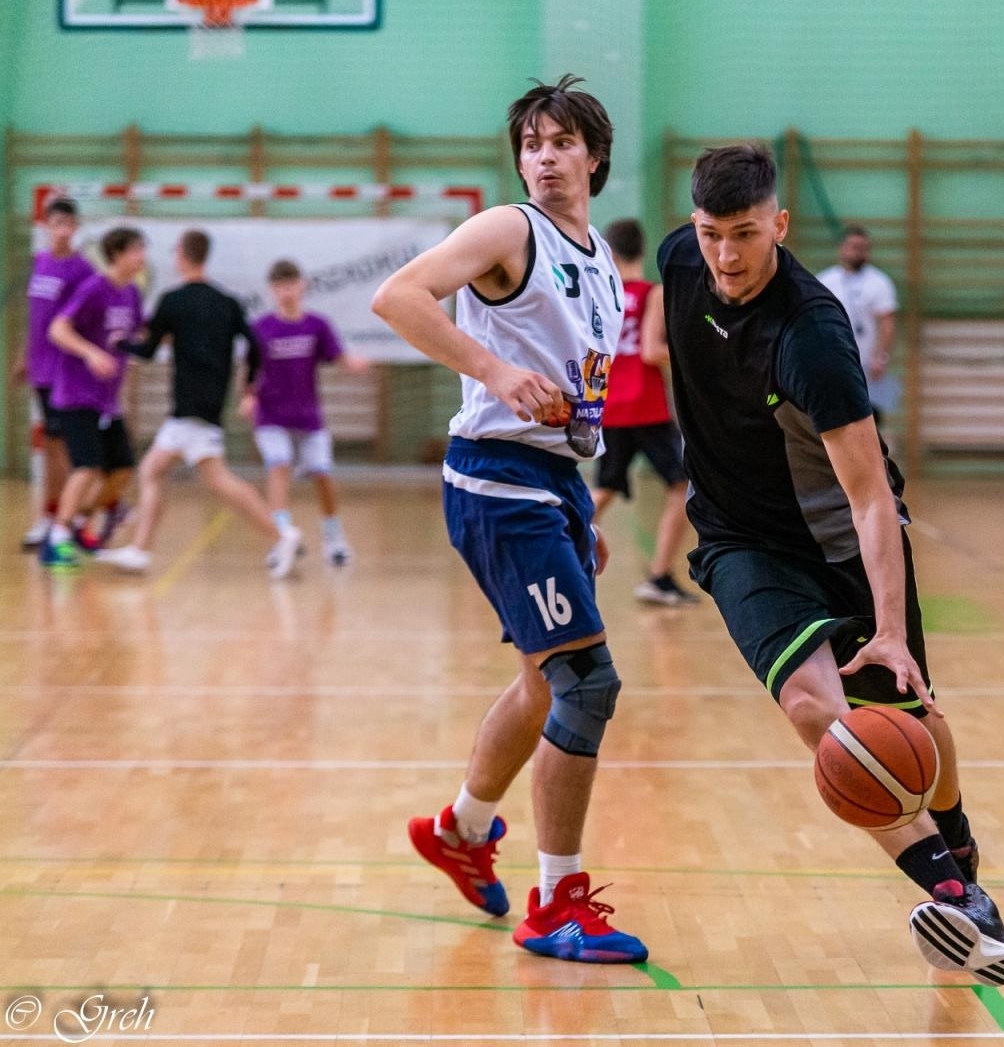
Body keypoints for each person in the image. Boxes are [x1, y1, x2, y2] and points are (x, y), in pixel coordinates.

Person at [657, 144, 1004, 985]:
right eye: (712, 233)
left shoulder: (812, 335)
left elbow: (867, 498)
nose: (725, 255)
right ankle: (961, 895)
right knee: (813, 706)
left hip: (840, 539)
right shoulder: (682, 261)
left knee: (916, 722)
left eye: (745, 234)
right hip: (741, 541)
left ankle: (954, 831)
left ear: (780, 226)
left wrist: (890, 631)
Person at [373, 75, 646, 965]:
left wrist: (578, 498)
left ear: (595, 157)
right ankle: (557, 902)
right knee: (587, 685)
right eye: (532, 144)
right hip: (498, 481)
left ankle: (462, 828)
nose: (544, 157)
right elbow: (399, 297)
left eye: (562, 142)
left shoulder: (599, 256)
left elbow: (577, 386)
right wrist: (490, 371)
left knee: (543, 683)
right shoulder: (507, 229)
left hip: (550, 485)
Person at [95, 231, 302, 579]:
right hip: (207, 404)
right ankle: (140, 550)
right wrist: (249, 385)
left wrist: (120, 344)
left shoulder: (173, 301)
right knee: (155, 471)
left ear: (183, 255)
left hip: (189, 405)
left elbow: (145, 351)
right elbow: (255, 346)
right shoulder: (227, 302)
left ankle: (282, 535)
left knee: (214, 479)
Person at [590, 218, 697, 607]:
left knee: (604, 489)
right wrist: (694, 361)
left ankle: (554, 554)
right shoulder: (652, 293)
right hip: (646, 406)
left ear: (611, 252)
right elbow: (652, 351)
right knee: (681, 487)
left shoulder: (601, 295)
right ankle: (660, 576)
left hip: (610, 405)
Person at [240, 259, 369, 566]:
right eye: (280, 286)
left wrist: (353, 364)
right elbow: (248, 370)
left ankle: (333, 536)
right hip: (271, 415)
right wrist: (246, 397)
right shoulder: (261, 329)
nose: (287, 291)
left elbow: (337, 356)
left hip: (308, 417)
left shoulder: (317, 325)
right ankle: (281, 537)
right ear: (272, 290)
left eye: (292, 284)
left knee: (322, 473)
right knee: (279, 465)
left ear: (302, 286)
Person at [37, 227, 144, 570]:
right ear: (117, 254)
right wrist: (90, 353)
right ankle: (55, 540)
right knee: (86, 467)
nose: (142, 257)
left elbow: (138, 331)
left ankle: (83, 526)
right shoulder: (93, 288)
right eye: (136, 250)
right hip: (75, 394)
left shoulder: (132, 294)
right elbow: (58, 329)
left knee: (123, 468)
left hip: (107, 400)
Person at [15, 198, 97, 550]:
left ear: (75, 228)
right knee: (50, 445)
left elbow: (89, 322)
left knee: (65, 448)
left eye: (68, 223)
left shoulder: (83, 271)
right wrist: (24, 355)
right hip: (41, 370)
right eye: (55, 223)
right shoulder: (41, 263)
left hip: (66, 372)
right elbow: (36, 316)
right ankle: (51, 517)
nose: (61, 229)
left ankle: (66, 519)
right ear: (46, 226)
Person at [816, 225, 899, 420]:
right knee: (833, 417)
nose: (857, 251)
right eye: (852, 246)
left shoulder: (879, 282)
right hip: (833, 361)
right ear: (842, 248)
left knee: (870, 418)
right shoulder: (825, 281)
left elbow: (887, 323)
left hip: (867, 364)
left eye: (862, 247)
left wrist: (881, 356)